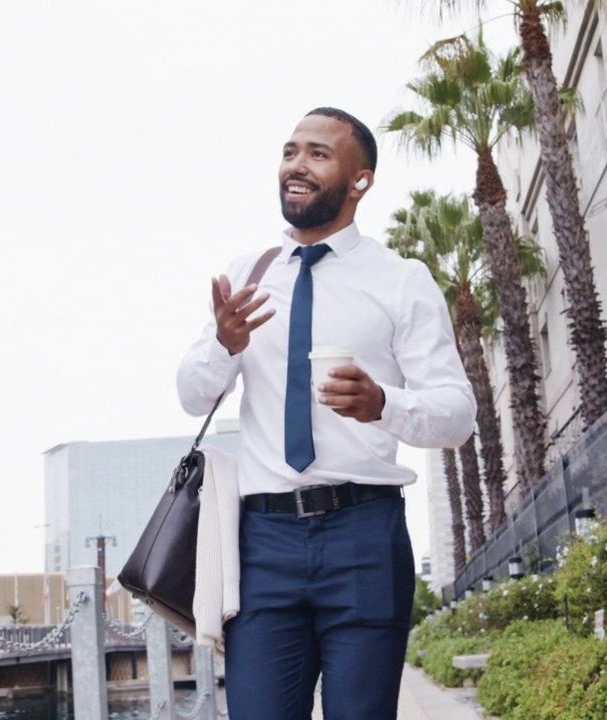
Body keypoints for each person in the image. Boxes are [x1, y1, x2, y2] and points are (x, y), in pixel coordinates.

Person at [177, 107, 476, 719]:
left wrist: (382, 403)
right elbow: (191, 397)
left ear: (359, 179)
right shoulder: (247, 275)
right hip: (262, 541)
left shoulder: (400, 280)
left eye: (317, 154)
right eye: (289, 152)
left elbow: (456, 415)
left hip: (363, 535)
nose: (296, 165)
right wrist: (222, 344)